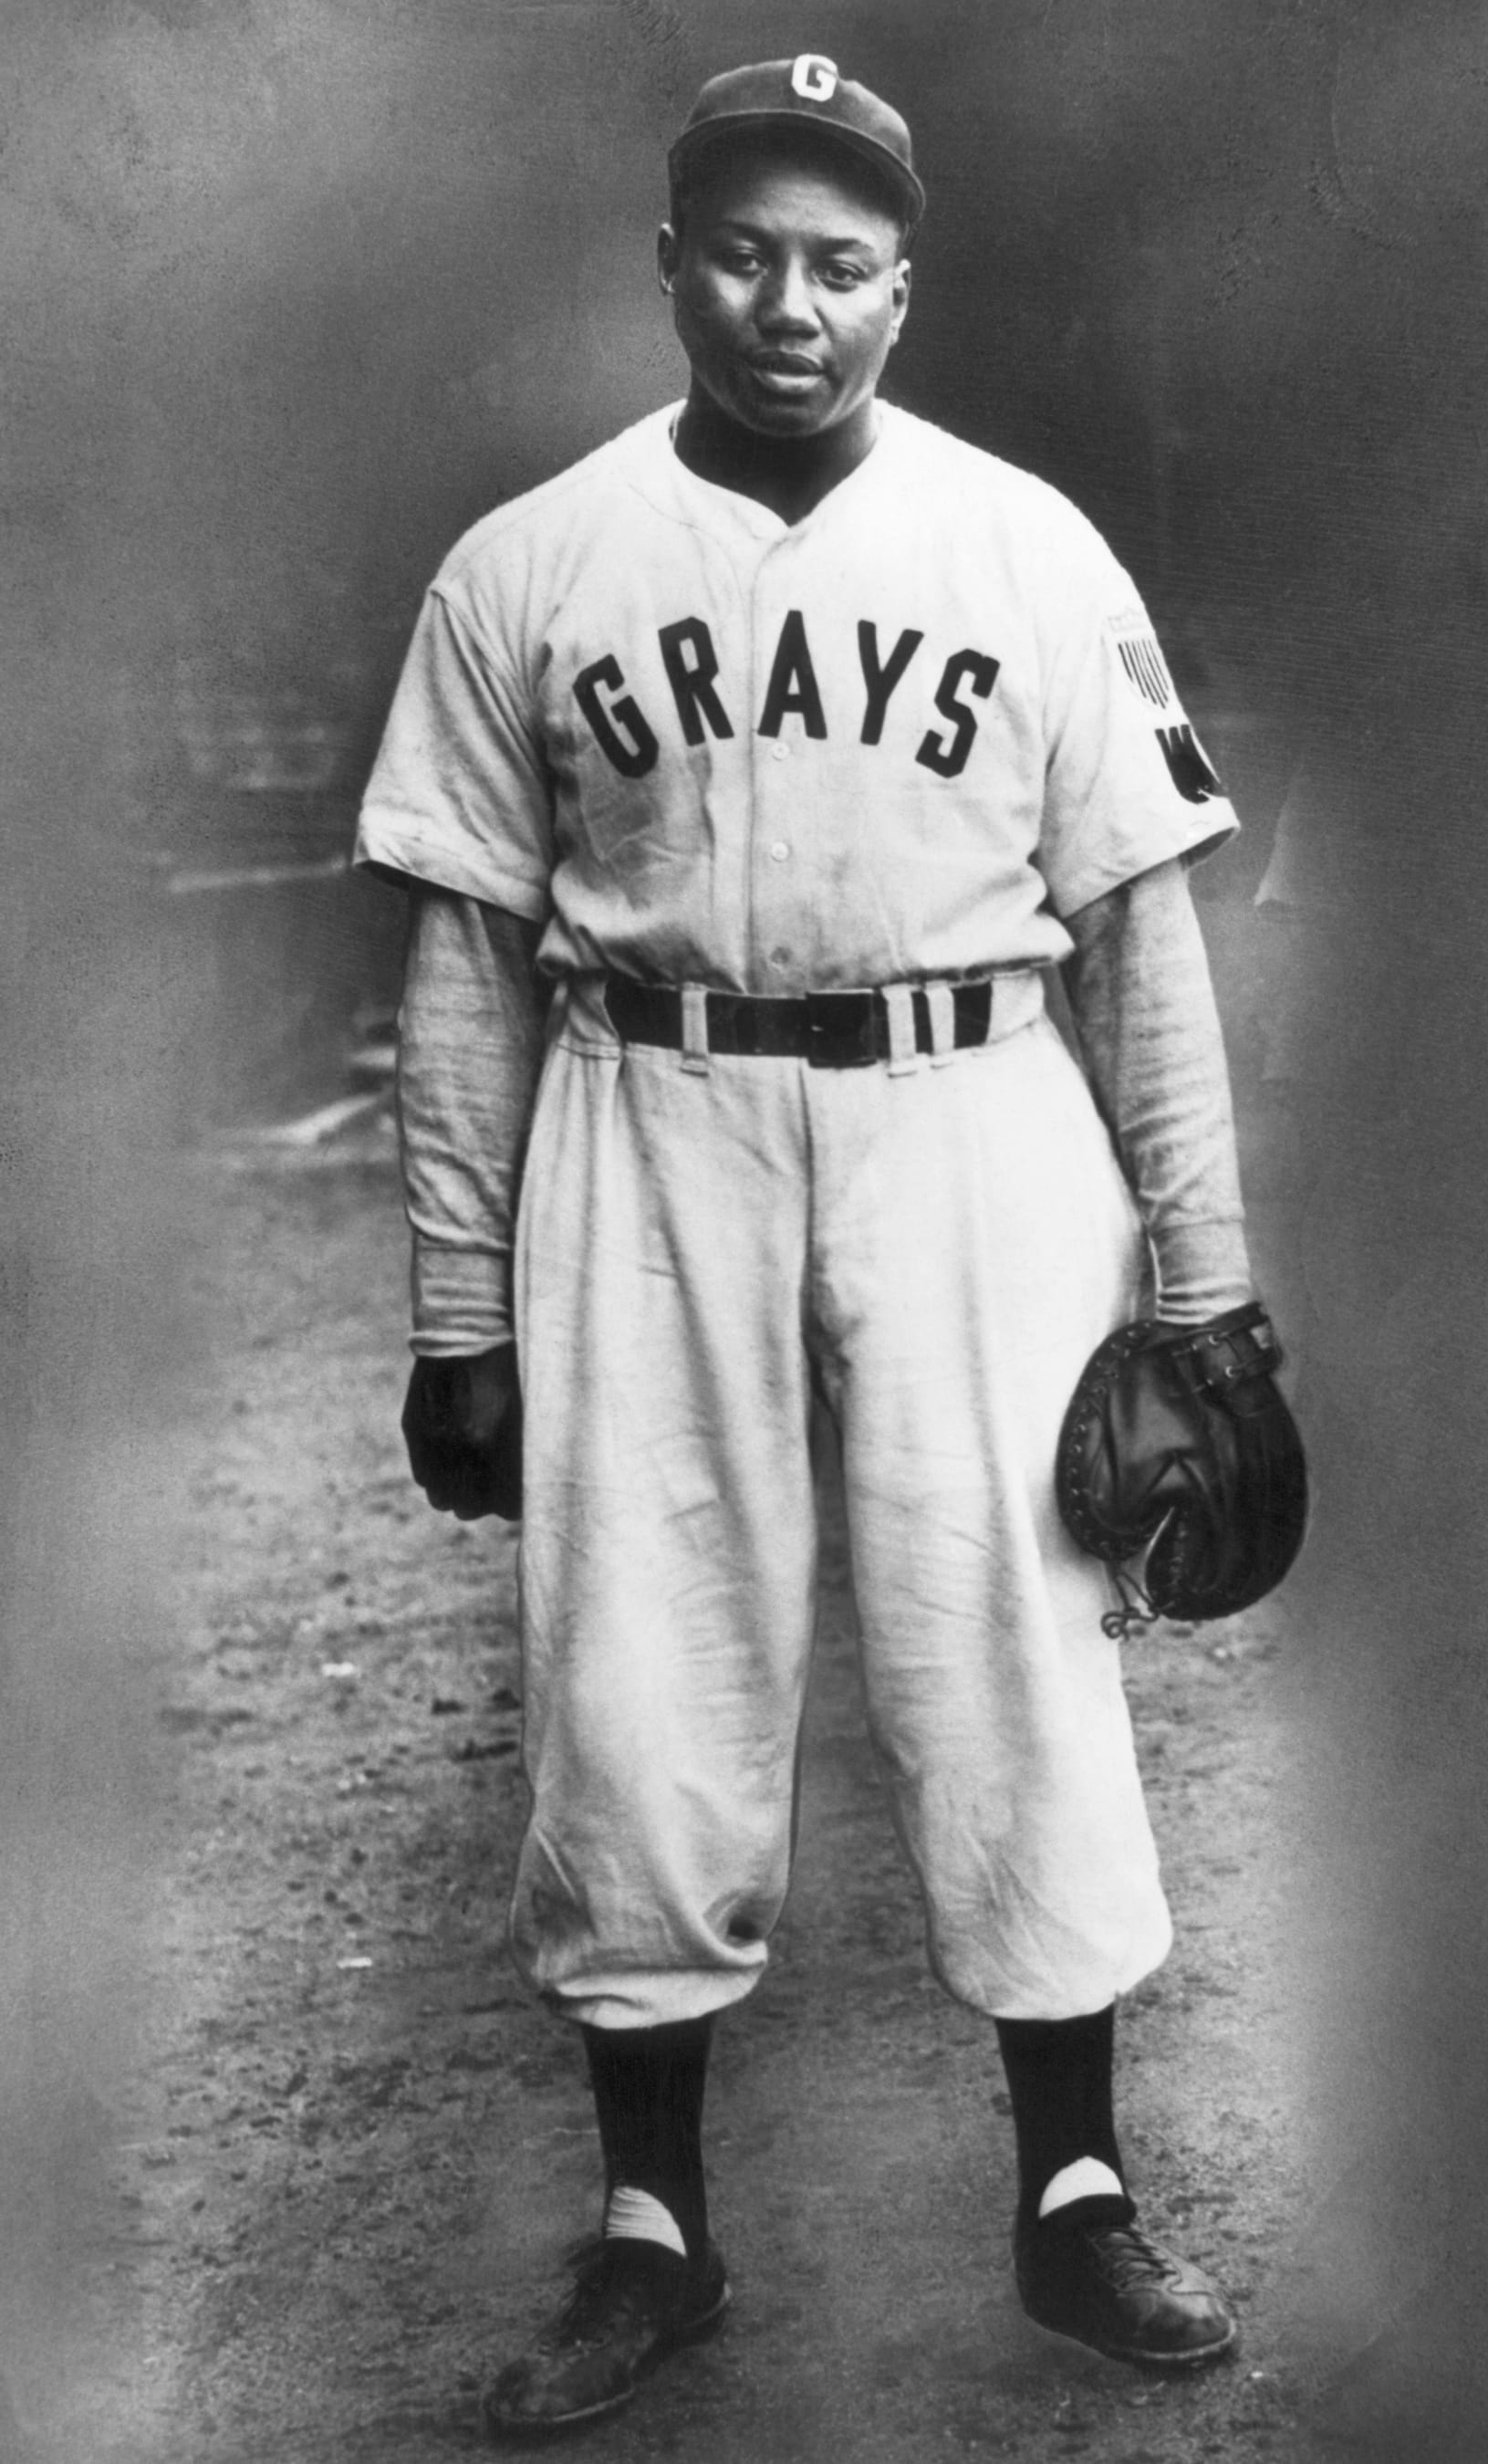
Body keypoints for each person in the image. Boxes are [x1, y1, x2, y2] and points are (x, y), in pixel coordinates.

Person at [356, 54, 1264, 2442]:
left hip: (977, 1110)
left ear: (901, 287)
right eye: (748, 254)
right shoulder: (531, 562)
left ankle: (1076, 2194)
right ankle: (653, 2232)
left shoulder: (1028, 548)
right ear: (672, 266)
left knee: (1019, 1641)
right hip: (647, 1116)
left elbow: (1140, 940)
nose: (793, 304)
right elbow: (464, 962)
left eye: (842, 263)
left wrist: (1207, 1290)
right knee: (634, 1661)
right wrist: (456, 1306)